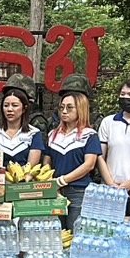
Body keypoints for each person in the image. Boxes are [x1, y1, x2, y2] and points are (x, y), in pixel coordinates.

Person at [44, 89, 102, 230]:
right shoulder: (53, 135)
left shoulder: (89, 135)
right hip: (55, 191)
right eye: (62, 107)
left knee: (75, 232)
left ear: (80, 109)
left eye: (69, 108)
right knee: (56, 232)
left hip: (79, 191)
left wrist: (63, 180)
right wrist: (50, 181)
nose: (64, 111)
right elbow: (46, 162)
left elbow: (89, 164)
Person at [0, 75, 43, 166]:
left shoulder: (34, 134)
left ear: (24, 108)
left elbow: (31, 166)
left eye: (15, 105)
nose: (9, 109)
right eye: (6, 105)